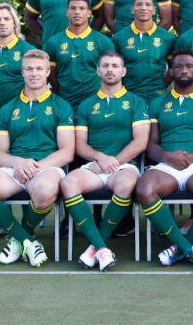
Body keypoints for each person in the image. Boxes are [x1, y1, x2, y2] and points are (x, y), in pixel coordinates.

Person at [0, 49, 75, 267]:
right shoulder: (8, 109)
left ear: (48, 72)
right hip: (14, 167)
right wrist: (19, 163)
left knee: (45, 191)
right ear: (22, 73)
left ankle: (20, 237)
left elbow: (67, 152)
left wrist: (37, 167)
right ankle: (27, 240)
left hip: (48, 166)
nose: (34, 73)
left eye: (39, 69)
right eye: (29, 69)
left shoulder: (61, 106)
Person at [61, 51, 150, 271]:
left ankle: (95, 245)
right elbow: (80, 145)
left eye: (115, 65)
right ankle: (101, 248)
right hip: (93, 165)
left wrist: (114, 162)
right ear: (98, 70)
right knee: (67, 183)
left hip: (124, 165)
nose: (110, 69)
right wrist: (99, 157)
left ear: (123, 71)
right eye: (106, 66)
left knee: (126, 184)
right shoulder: (86, 104)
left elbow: (140, 142)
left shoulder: (136, 103)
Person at [136, 49, 193, 270]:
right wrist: (168, 156)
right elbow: (151, 145)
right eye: (178, 66)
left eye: (188, 66)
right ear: (171, 70)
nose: (184, 70)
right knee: (145, 189)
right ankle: (188, 248)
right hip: (166, 165)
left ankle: (181, 246)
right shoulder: (157, 104)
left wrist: (189, 158)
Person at [43, 0, 115, 113]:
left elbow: (111, 75)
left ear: (89, 13)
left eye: (82, 8)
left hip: (96, 106)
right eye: (73, 8)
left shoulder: (103, 42)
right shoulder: (53, 42)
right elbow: (51, 77)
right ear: (67, 12)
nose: (77, 12)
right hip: (65, 106)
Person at [111, 0, 177, 104]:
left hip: (157, 99)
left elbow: (173, 69)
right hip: (127, 99)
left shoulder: (168, 38)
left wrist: (160, 87)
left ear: (154, 10)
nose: (143, 8)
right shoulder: (118, 38)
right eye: (139, 4)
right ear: (132, 9)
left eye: (147, 4)